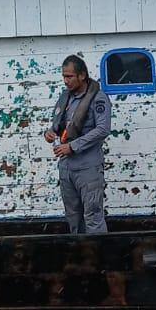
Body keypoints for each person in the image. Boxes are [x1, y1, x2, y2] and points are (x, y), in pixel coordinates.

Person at [44, 54, 112, 234]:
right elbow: (58, 125)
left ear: (82, 75)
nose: (65, 81)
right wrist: (49, 133)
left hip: (88, 168)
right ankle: (79, 250)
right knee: (73, 216)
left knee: (93, 215)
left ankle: (97, 250)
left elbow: (103, 129)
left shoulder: (98, 98)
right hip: (66, 166)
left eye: (69, 76)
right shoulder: (65, 98)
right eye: (64, 76)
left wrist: (73, 146)